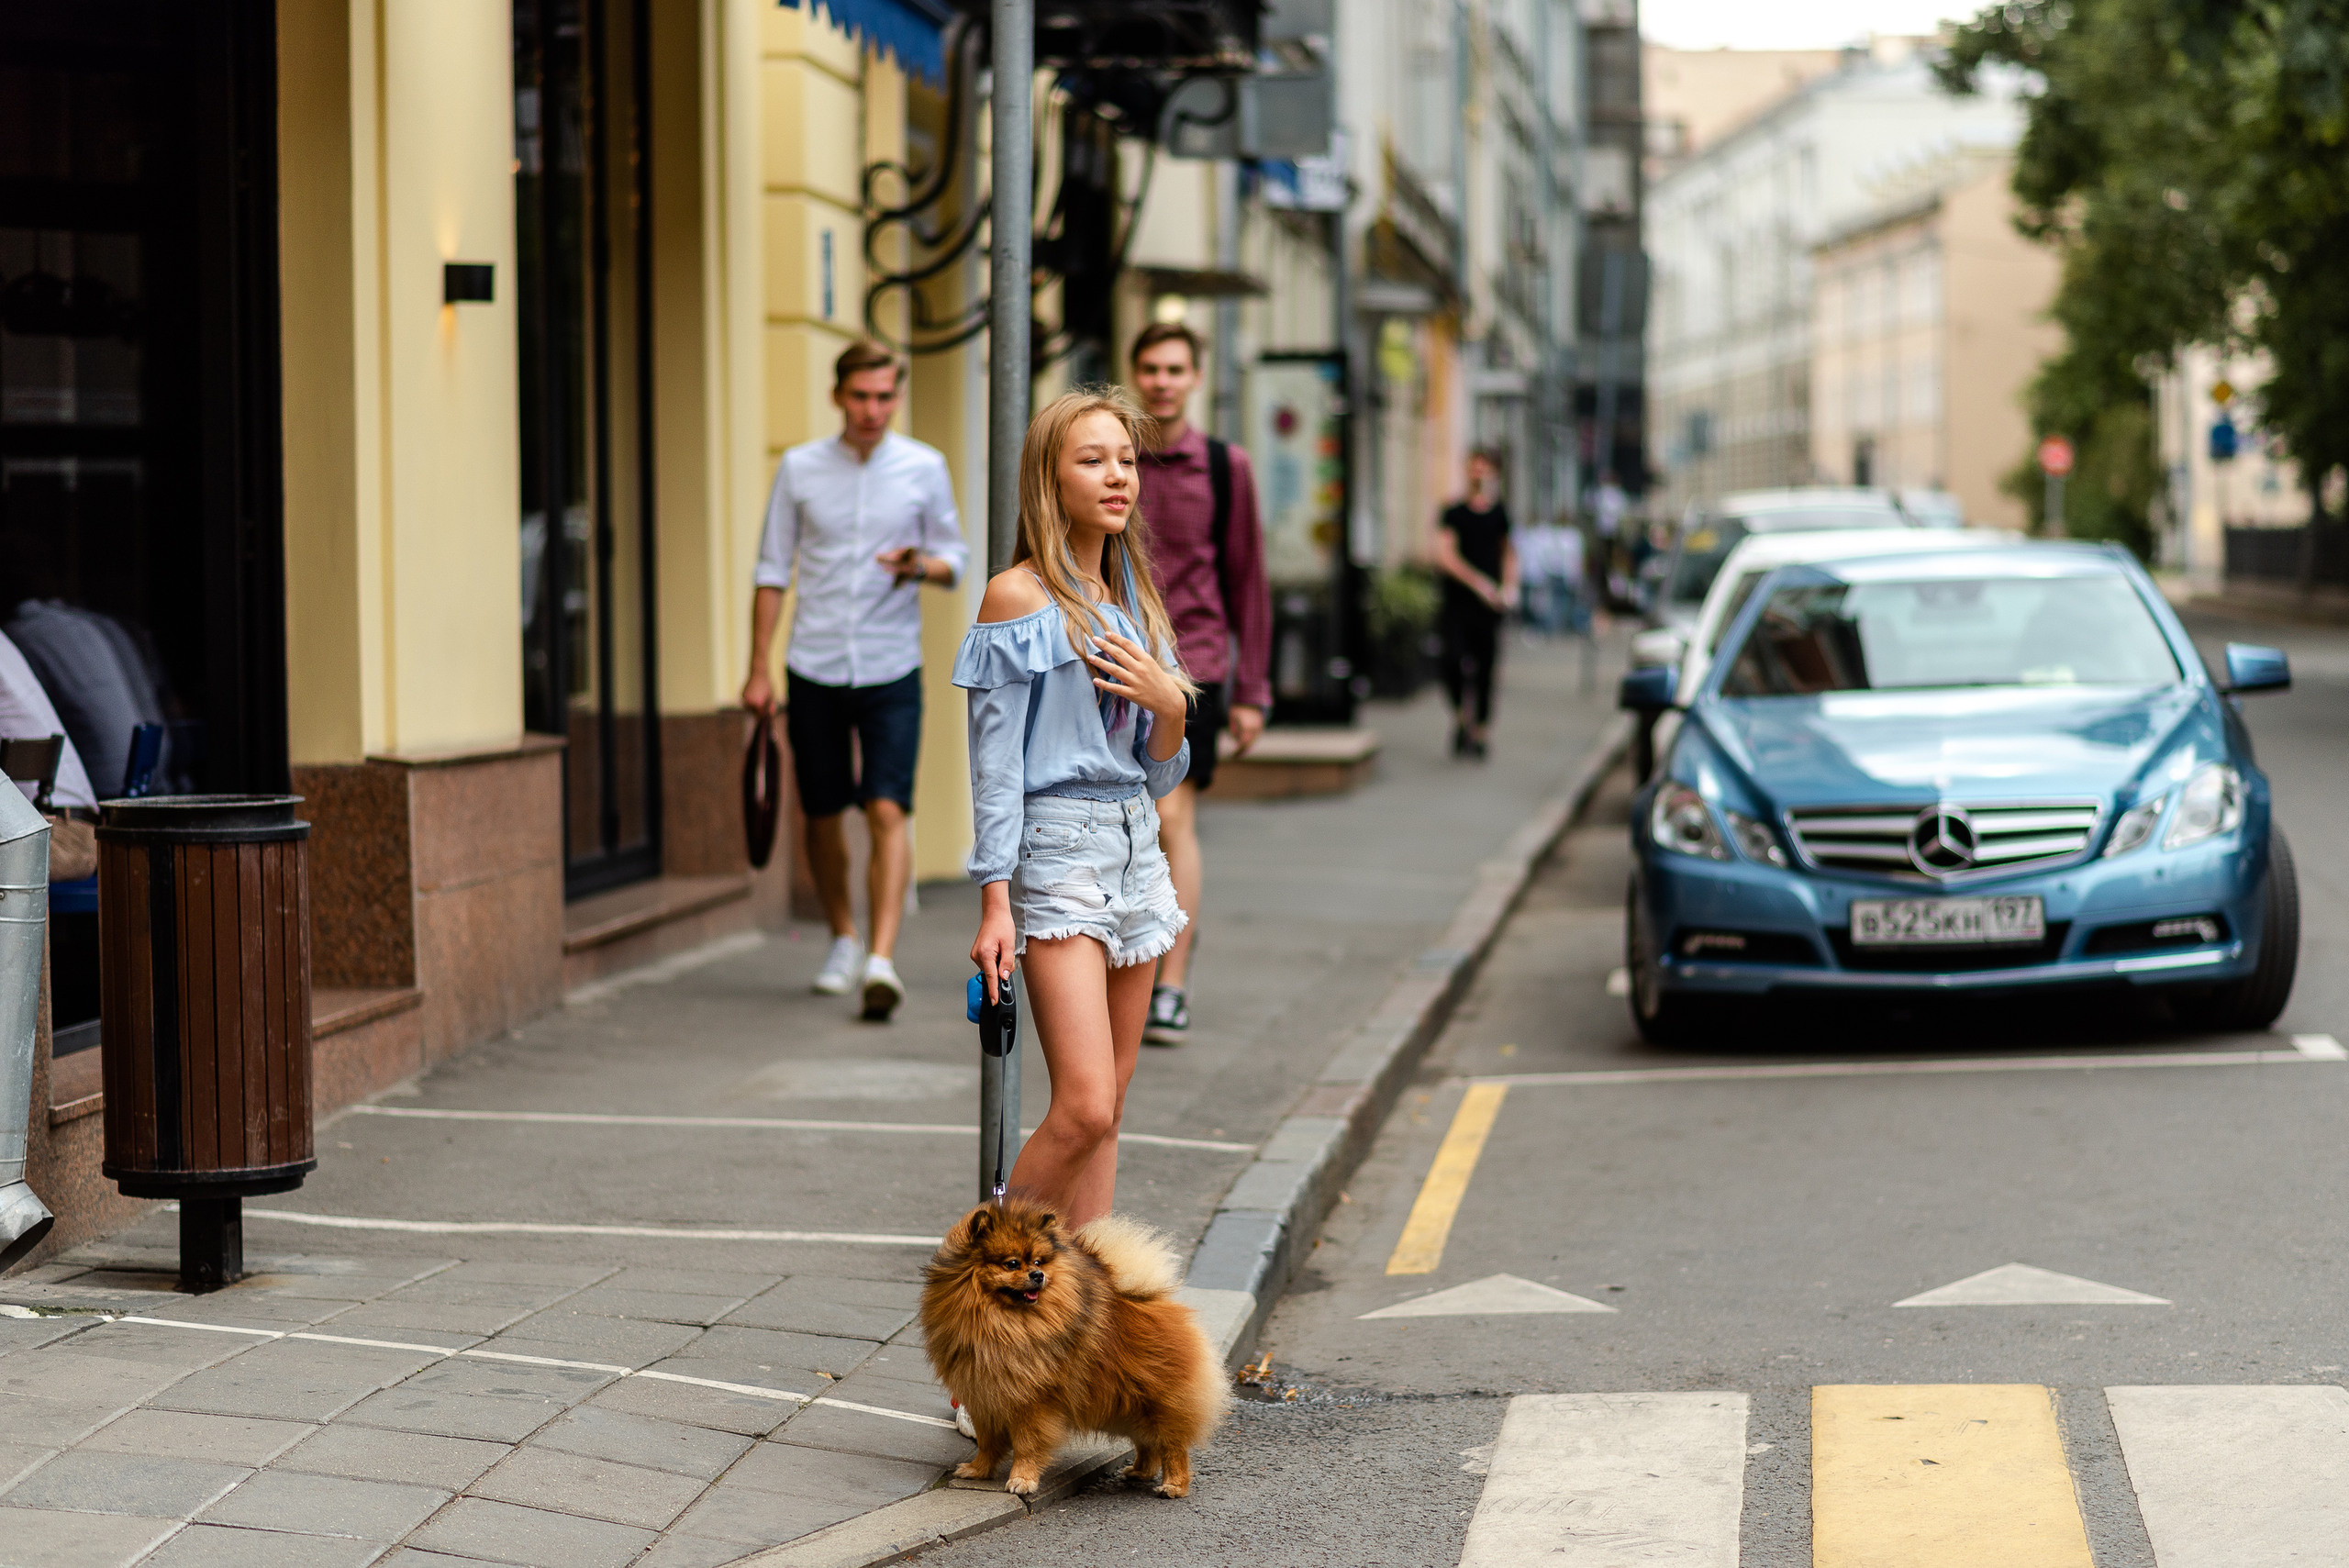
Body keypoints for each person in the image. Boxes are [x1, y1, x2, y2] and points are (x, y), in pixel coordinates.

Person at [958, 387, 1193, 1229]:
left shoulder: (1134, 602)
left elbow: (1161, 777)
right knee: (1085, 1104)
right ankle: (977, 1267)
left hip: (1136, 841)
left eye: (1126, 459)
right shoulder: (1017, 598)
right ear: (1049, 480)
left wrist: (1170, 705)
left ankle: (1090, 1307)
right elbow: (992, 767)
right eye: (1092, 459)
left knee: (1113, 1107)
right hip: (1057, 849)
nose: (1117, 475)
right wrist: (994, 901)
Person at [742, 339, 968, 1020]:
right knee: (822, 813)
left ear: (895, 397)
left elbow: (955, 558)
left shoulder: (924, 466)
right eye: (861, 396)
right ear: (839, 395)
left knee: (887, 807)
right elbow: (772, 568)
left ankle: (881, 958)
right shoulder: (800, 467)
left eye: (884, 396)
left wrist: (917, 565)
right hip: (813, 662)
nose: (873, 409)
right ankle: (843, 933)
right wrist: (757, 668)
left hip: (891, 662)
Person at [1127, 322, 1271, 1046]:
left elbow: (1248, 579)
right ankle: (1137, 966)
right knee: (1133, 825)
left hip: (1195, 670)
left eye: (1175, 368)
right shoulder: (1113, 460)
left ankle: (1171, 981)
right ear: (1134, 374)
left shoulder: (1224, 466)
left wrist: (1253, 690)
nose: (1161, 381)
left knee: (1173, 820)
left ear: (1195, 377)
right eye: (1150, 368)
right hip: (1116, 664)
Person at [1431, 449, 1519, 759]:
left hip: (1489, 608)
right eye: (1474, 469)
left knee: (1486, 668)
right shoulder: (1453, 512)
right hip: (1458, 604)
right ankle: (1460, 716)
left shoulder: (1499, 514)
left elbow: (1509, 553)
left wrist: (1509, 587)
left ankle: (1480, 731)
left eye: (1484, 470)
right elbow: (1445, 555)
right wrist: (1478, 583)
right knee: (1452, 661)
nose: (1478, 475)